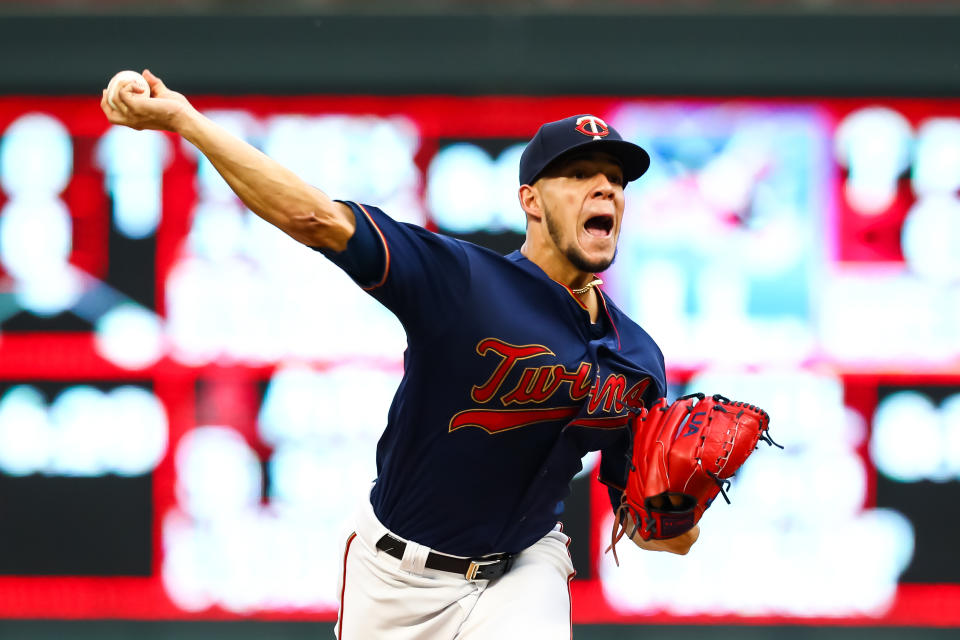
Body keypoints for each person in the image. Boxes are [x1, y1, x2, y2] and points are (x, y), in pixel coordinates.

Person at [101, 71, 698, 639]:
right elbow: (314, 217)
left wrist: (679, 515)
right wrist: (186, 120)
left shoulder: (638, 358)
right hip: (395, 578)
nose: (606, 190)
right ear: (531, 201)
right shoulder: (464, 283)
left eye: (616, 181)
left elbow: (653, 530)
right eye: (579, 175)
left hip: (523, 569)